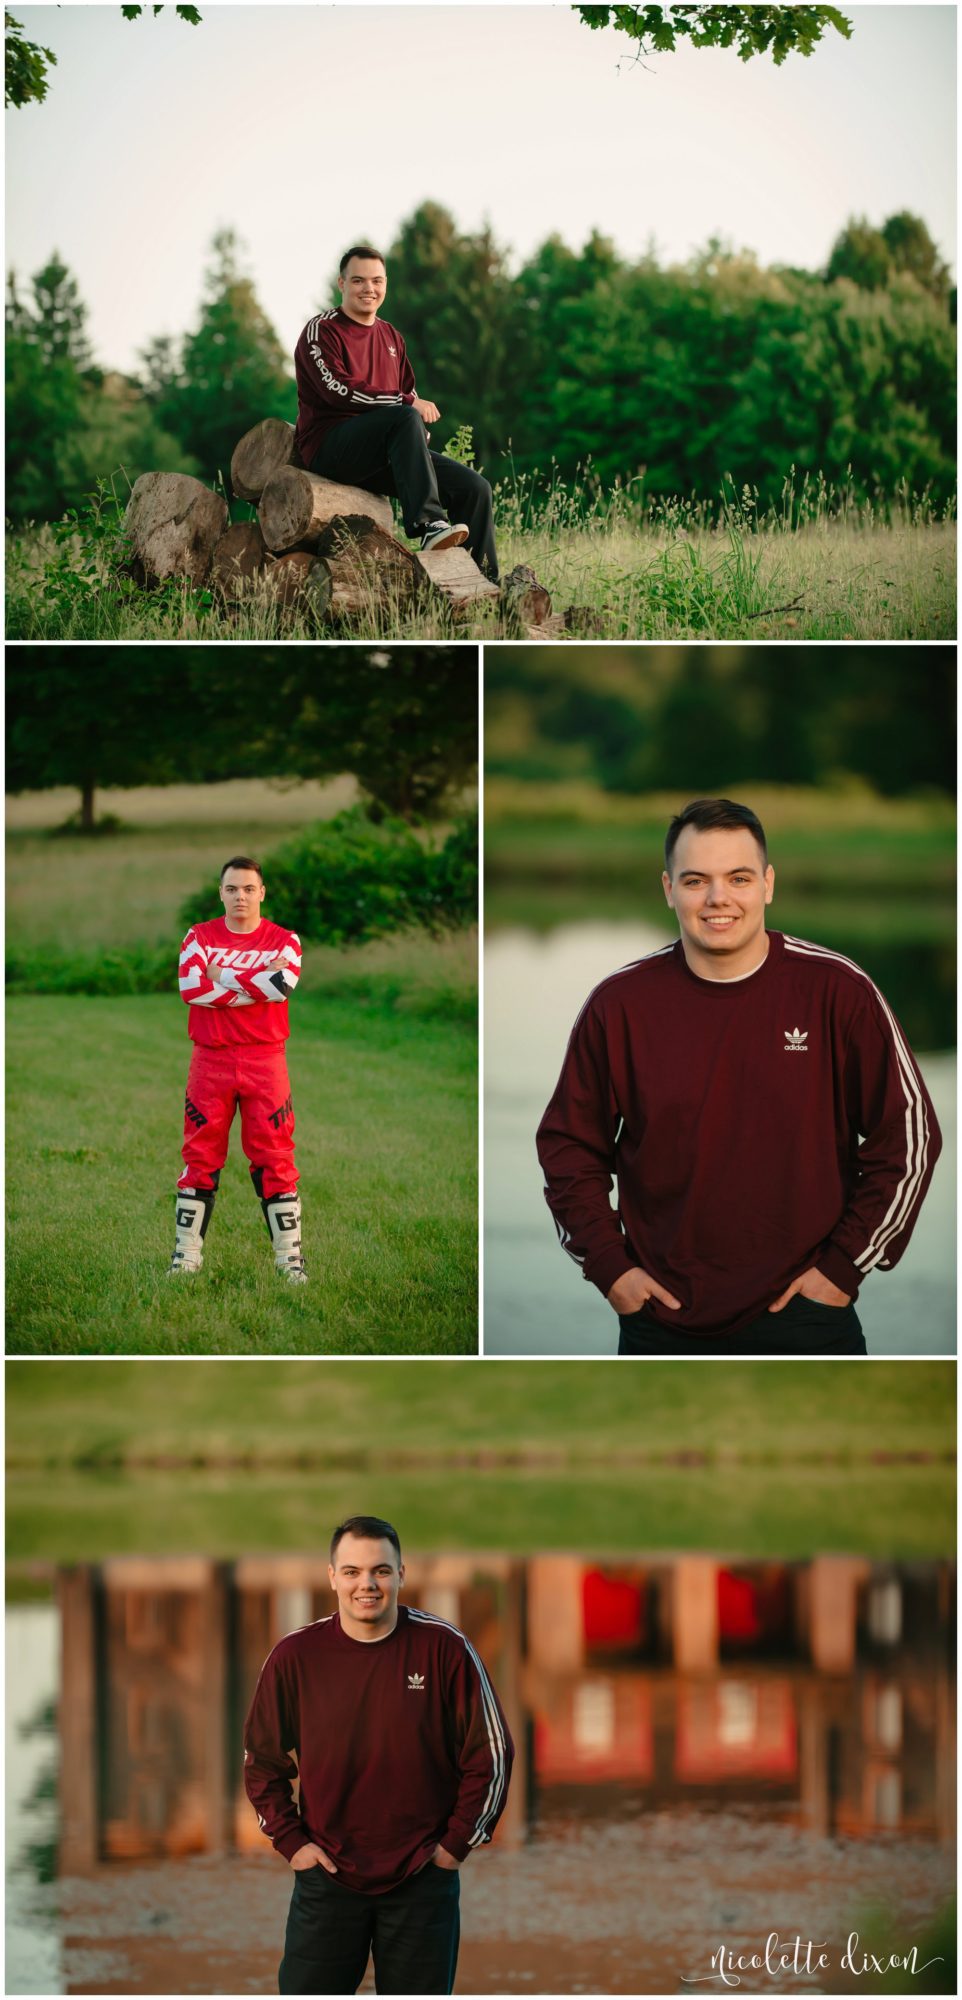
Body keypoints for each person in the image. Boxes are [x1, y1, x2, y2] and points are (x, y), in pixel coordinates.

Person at [537, 798, 942, 1356]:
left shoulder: (837, 990)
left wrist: (843, 1268)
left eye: (739, 877)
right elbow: (569, 1149)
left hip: (807, 1317)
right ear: (668, 888)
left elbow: (911, 1136)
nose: (718, 898)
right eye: (696, 879)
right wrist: (612, 1271)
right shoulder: (620, 1004)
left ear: (768, 884)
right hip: (660, 1320)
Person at [244, 1514, 514, 1996]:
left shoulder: (444, 1649)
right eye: (352, 1572)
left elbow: (491, 1755)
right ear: (332, 1577)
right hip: (326, 1876)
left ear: (401, 1574)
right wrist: (291, 1842)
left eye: (380, 1571)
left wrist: (454, 1846)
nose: (366, 1584)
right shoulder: (295, 1656)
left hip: (421, 1879)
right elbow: (261, 1761)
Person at [294, 245, 499, 578]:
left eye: (377, 281)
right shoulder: (322, 331)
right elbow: (339, 392)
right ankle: (428, 524)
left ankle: (482, 586)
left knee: (475, 488)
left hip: (386, 450)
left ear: (386, 283)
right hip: (331, 449)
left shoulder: (391, 337)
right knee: (403, 415)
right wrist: (406, 408)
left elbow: (407, 393)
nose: (369, 289)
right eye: (358, 280)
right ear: (341, 284)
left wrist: (415, 428)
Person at [170, 856, 306, 1282]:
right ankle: (186, 1258)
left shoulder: (285, 940)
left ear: (262, 893)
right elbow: (191, 988)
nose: (240, 896)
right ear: (221, 893)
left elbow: (281, 987)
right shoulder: (199, 936)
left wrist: (221, 976)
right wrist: (255, 985)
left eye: (249, 889)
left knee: (276, 1156)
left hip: (266, 1059)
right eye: (232, 889)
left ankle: (290, 1263)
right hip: (210, 1059)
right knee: (200, 1156)